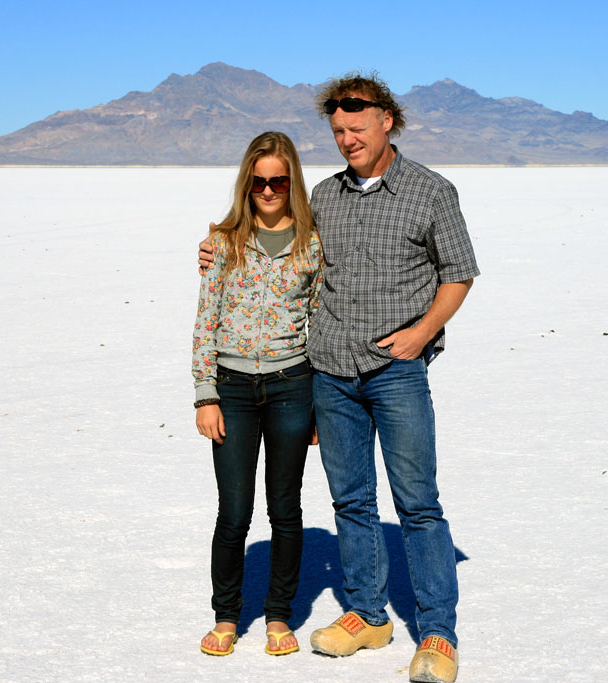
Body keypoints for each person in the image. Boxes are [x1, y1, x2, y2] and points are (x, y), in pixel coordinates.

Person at [199, 73, 478, 683]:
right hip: (329, 374)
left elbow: (459, 274)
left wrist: (422, 333)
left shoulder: (431, 192)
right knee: (351, 501)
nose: (348, 140)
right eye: (338, 132)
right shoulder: (322, 197)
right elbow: (268, 231)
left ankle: (436, 630)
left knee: (417, 503)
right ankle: (367, 614)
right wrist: (218, 241)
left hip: (397, 371)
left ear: (387, 121)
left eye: (357, 129)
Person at [192, 131, 323, 658]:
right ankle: (226, 616)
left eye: (279, 181)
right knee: (234, 511)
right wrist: (206, 395)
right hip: (233, 389)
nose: (268, 191)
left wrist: (321, 405)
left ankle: (277, 615)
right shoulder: (222, 243)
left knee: (285, 510)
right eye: (259, 181)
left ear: (292, 183)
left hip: (294, 386)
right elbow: (206, 321)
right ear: (248, 183)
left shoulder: (313, 243)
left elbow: (318, 320)